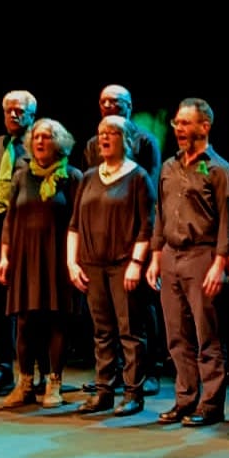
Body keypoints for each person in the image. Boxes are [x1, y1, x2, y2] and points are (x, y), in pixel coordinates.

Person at [146, 98, 229, 427]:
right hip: (170, 255)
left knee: (206, 335)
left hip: (203, 255)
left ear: (204, 126)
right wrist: (155, 256)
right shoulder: (169, 167)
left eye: (186, 123)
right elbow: (159, 213)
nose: (179, 129)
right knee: (176, 335)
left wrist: (220, 263)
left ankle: (211, 404)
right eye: (176, 124)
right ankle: (185, 399)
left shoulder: (219, 169)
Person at [68, 115, 156, 416]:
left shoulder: (139, 177)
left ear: (126, 140)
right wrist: (71, 261)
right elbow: (75, 224)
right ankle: (104, 390)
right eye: (101, 132)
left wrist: (136, 262)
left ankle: (133, 392)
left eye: (113, 133)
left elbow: (147, 226)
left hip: (123, 264)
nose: (105, 138)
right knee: (102, 330)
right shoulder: (90, 176)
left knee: (130, 330)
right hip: (92, 264)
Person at [80, 84, 163, 395]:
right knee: (103, 321)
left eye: (115, 102)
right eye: (103, 102)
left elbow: (151, 190)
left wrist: (144, 251)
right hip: (101, 240)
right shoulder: (92, 144)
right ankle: (109, 375)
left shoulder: (144, 141)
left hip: (133, 237)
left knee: (138, 315)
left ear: (129, 106)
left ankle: (146, 373)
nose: (109, 106)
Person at [0, 118, 83, 408]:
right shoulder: (22, 176)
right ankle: (25, 384)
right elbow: (10, 219)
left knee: (56, 320)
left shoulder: (71, 177)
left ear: (59, 142)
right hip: (23, 256)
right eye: (36, 137)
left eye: (47, 137)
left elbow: (78, 222)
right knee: (24, 321)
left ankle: (54, 383)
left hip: (56, 257)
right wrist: (5, 256)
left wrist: (75, 261)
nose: (40, 142)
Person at [0, 90, 37, 397]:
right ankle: (3, 368)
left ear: (31, 116)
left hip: (29, 231)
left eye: (20, 111)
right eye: (9, 110)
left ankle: (34, 369)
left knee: (30, 301)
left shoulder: (41, 146)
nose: (14, 115)